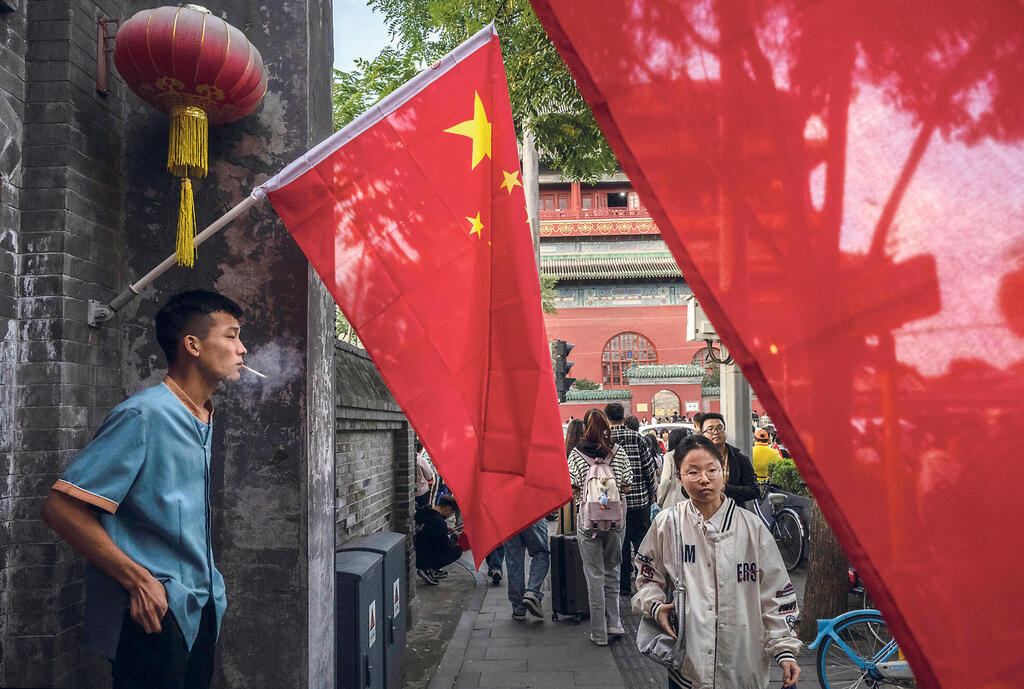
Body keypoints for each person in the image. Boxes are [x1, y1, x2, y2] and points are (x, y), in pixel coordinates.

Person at [40, 290, 247, 689]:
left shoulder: (203, 412)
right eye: (231, 336)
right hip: (154, 612)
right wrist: (138, 579)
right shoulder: (143, 414)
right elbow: (60, 508)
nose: (242, 349)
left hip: (200, 605)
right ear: (193, 345)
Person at [633, 435, 802, 689]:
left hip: (743, 664)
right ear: (679, 477)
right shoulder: (668, 524)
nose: (704, 479)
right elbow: (647, 573)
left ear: (723, 471)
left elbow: (776, 593)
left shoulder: (752, 528)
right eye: (693, 472)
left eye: (712, 470)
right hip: (687, 665)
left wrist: (784, 649)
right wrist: (655, 605)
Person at [567, 408, 633, 646]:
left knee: (593, 574)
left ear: (585, 427)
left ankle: (599, 632)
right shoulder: (617, 451)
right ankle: (615, 623)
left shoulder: (576, 454)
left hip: (588, 519)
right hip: (616, 520)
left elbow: (572, 486)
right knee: (613, 570)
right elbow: (627, 484)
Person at [604, 403, 657, 598]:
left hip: (615, 502)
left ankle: (624, 585)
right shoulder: (638, 438)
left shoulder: (604, 439)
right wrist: (653, 491)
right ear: (623, 418)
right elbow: (648, 467)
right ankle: (645, 581)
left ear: (607, 418)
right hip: (640, 500)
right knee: (643, 542)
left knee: (621, 544)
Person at [699, 412, 760, 505]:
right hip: (703, 514)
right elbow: (685, 490)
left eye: (719, 428)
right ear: (702, 434)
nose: (716, 432)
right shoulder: (696, 458)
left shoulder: (740, 458)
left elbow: (754, 491)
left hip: (733, 513)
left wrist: (726, 489)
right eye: (710, 429)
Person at [503, 518, 551, 620]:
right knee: (541, 553)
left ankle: (518, 608)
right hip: (532, 513)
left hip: (508, 518)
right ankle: (532, 592)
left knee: (514, 562)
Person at [414, 495, 462, 585]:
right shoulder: (439, 522)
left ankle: (432, 568)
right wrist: (455, 537)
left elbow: (430, 531)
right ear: (447, 508)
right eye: (451, 513)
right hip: (423, 556)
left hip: (416, 549)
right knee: (456, 550)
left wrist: (445, 531)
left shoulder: (425, 511)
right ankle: (427, 568)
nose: (449, 516)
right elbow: (447, 546)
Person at [655, 428, 689, 509]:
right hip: (688, 500)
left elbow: (665, 480)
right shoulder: (690, 455)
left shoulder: (670, 456)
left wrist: (659, 500)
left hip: (672, 501)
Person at [414, 442, 436, 509]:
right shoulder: (421, 460)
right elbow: (429, 475)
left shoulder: (408, 458)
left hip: (409, 492)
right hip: (421, 492)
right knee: (423, 510)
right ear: (421, 449)